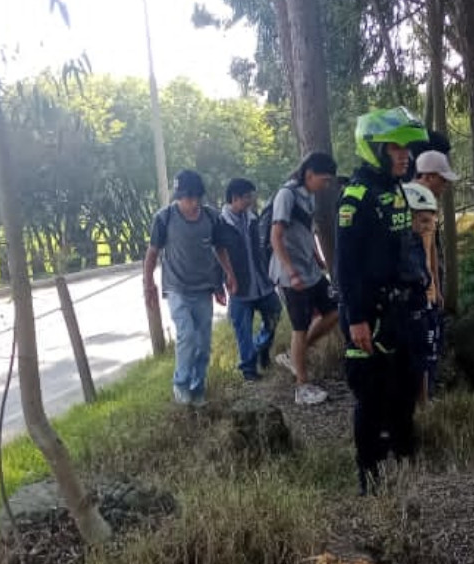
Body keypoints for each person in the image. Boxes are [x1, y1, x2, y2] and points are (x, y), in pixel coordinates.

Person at [337, 107, 430, 496]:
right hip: (369, 316)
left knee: (405, 387)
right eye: (396, 147)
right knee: (371, 399)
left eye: (407, 148)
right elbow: (345, 266)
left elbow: (404, 248)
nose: (404, 155)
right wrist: (356, 318)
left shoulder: (396, 190)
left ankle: (405, 459)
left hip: (402, 311)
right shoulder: (356, 197)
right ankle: (369, 478)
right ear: (375, 148)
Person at [144, 169, 238, 407]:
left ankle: (197, 390)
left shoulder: (210, 217)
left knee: (203, 343)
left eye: (197, 197)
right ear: (178, 197)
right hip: (177, 288)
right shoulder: (164, 218)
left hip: (202, 289)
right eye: (187, 198)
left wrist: (228, 274)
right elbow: (152, 253)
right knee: (187, 334)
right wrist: (148, 284)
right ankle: (181, 383)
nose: (193, 203)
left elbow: (219, 249)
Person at [269, 151, 340, 405]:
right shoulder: (286, 195)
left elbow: (306, 230)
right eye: (324, 179)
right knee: (299, 327)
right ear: (309, 174)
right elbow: (276, 237)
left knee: (334, 311)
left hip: (310, 269)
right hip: (291, 275)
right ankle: (302, 386)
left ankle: (294, 355)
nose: (326, 184)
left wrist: (317, 256)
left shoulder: (308, 195)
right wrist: (290, 271)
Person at [221, 178, 281, 382]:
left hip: (262, 282)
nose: (250, 201)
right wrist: (221, 283)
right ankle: (249, 369)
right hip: (239, 286)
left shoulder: (253, 218)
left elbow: (260, 249)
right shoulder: (221, 224)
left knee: (274, 313)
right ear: (235, 198)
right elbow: (217, 256)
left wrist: (268, 273)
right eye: (247, 197)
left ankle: (261, 347)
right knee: (242, 330)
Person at [411, 150, 458, 399]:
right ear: (428, 176)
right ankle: (422, 404)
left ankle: (427, 397)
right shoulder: (412, 199)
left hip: (429, 289)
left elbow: (430, 251)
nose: (447, 184)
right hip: (416, 292)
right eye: (443, 178)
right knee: (421, 350)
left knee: (431, 348)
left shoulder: (429, 200)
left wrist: (437, 288)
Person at [401, 181, 440, 404]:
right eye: (424, 221)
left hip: (422, 305)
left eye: (432, 222)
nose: (429, 227)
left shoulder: (416, 242)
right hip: (408, 310)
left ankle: (423, 400)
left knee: (424, 354)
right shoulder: (402, 246)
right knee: (413, 357)